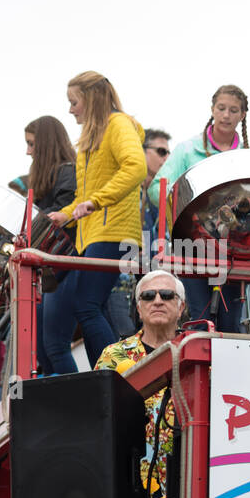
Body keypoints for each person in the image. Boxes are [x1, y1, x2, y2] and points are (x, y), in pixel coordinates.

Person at [45, 71, 146, 373]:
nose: (71, 109)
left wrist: (96, 201)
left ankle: (114, 374)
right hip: (94, 233)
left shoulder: (118, 124)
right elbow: (86, 194)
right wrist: (66, 213)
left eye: (74, 102)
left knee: (86, 305)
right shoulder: (92, 136)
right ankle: (101, 375)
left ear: (90, 99)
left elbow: (136, 167)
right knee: (90, 305)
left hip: (115, 231)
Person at [149, 86, 250, 332]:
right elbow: (156, 189)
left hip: (233, 251)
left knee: (230, 323)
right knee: (200, 317)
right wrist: (183, 206)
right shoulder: (187, 150)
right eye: (221, 108)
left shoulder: (249, 155)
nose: (226, 115)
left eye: (233, 110)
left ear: (243, 115)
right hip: (193, 247)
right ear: (212, 110)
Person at [96, 269, 186, 494]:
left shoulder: (197, 354)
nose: (157, 301)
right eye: (148, 296)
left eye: (166, 295)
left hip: (188, 479)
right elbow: (95, 417)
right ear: (138, 308)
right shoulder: (113, 356)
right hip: (129, 484)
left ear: (181, 307)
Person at [23, 116, 78, 374]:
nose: (28, 151)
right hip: (50, 269)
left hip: (66, 264)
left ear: (45, 144)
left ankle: (76, 403)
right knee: (42, 347)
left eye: (32, 144)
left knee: (55, 344)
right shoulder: (44, 178)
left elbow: (65, 219)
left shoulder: (68, 171)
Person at [139, 128, 171, 236]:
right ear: (142, 151)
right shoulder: (127, 193)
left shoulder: (164, 196)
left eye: (168, 153)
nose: (167, 158)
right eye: (161, 152)